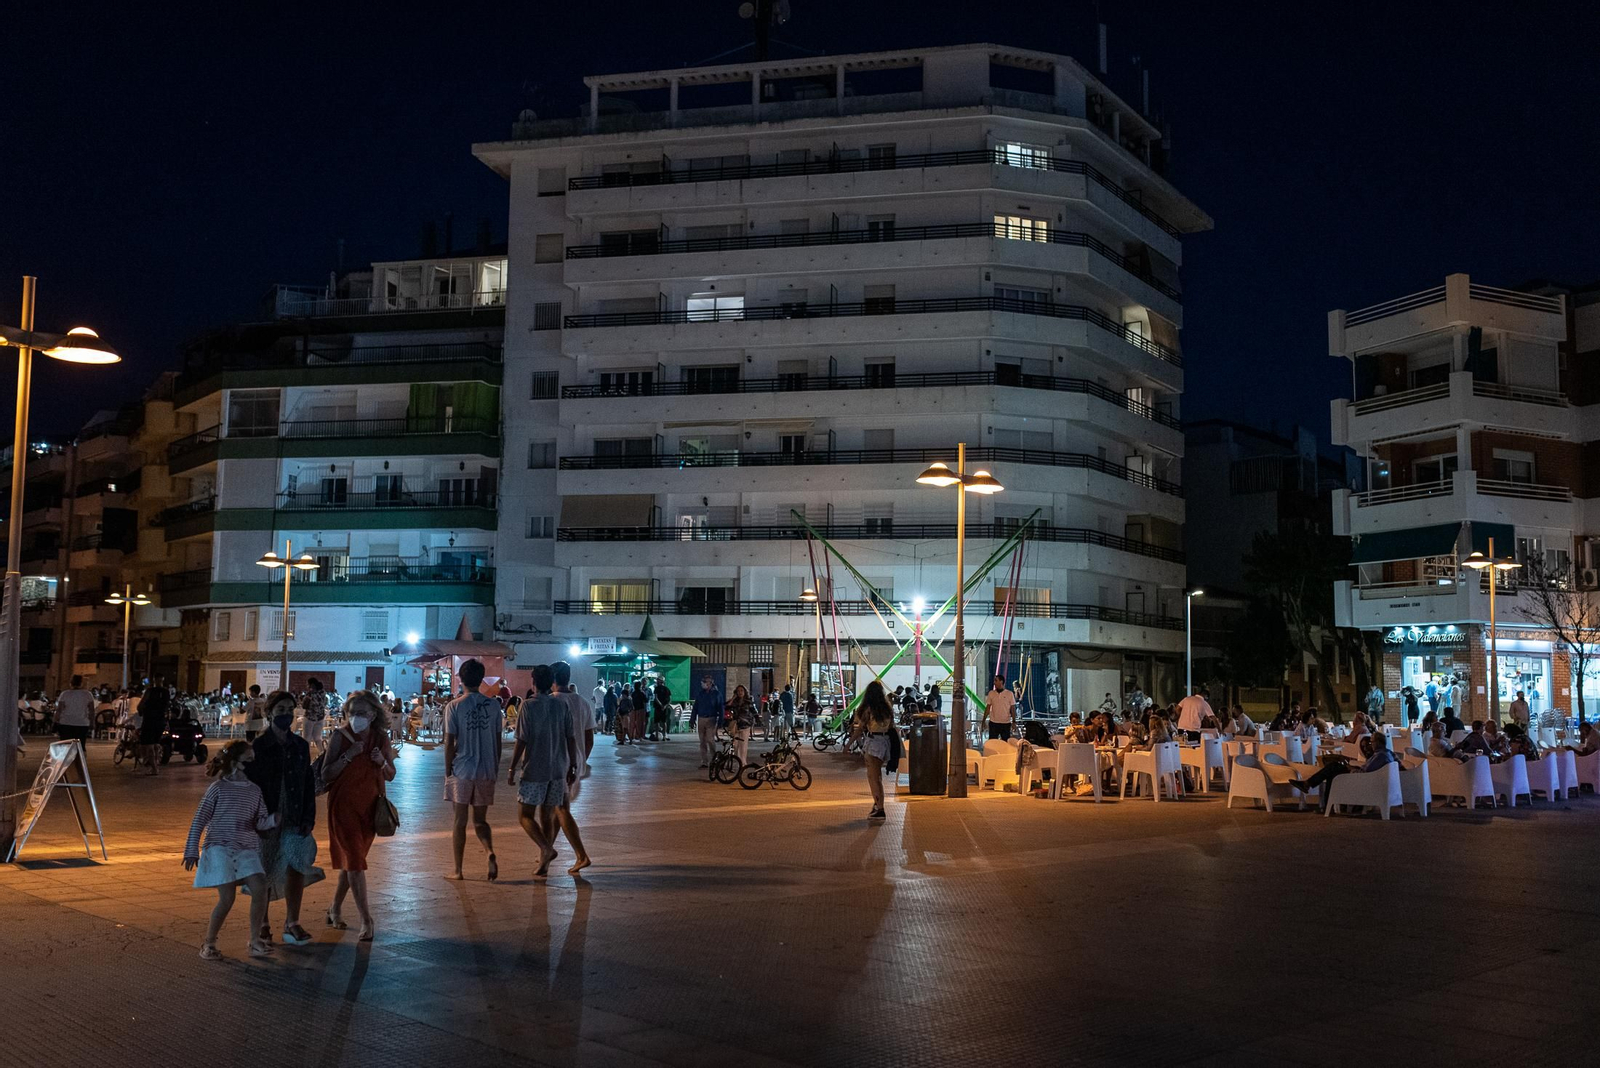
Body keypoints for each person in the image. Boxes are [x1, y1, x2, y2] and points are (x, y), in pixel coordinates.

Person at [183, 739, 278, 961]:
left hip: (246, 848)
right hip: (220, 847)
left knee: (260, 887)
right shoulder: (218, 788)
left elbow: (259, 821)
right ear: (235, 762)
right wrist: (191, 850)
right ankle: (209, 943)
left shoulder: (254, 790)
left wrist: (272, 820)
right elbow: (200, 819)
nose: (253, 763)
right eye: (249, 760)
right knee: (227, 898)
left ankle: (255, 940)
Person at [245, 691, 322, 946]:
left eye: (290, 709)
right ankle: (263, 923)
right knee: (264, 868)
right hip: (266, 815)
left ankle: (293, 921)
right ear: (270, 713)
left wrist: (308, 816)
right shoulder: (258, 747)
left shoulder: (300, 745)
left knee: (296, 865)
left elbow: (308, 782)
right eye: (280, 710)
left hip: (294, 811)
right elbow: (249, 784)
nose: (286, 715)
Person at [320, 690, 396, 940]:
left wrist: (381, 762)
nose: (356, 718)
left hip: (370, 808)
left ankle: (334, 908)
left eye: (362, 713)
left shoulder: (380, 738)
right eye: (352, 713)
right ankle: (366, 919)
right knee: (354, 860)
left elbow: (391, 774)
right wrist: (348, 755)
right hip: (343, 807)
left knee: (353, 862)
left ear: (373, 714)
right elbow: (326, 774)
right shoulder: (340, 737)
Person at [508, 664, 589, 877]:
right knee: (548, 813)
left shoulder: (528, 705)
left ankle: (546, 848)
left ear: (533, 682)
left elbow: (522, 740)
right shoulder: (561, 706)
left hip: (535, 768)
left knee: (525, 815)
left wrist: (512, 766)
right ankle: (544, 861)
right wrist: (573, 764)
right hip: (559, 767)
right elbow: (571, 737)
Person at [443, 659, 505, 881]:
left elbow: (449, 742)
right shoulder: (494, 706)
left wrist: (447, 769)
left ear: (461, 678)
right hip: (486, 769)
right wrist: (495, 766)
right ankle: (489, 852)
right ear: (481, 680)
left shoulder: (454, 706)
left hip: (463, 769)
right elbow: (497, 741)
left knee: (460, 821)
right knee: (480, 820)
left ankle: (458, 870)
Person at [1289, 732, 1400, 813]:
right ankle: (1324, 802)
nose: (1371, 745)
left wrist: (1350, 768)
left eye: (1372, 742)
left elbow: (1365, 772)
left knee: (1332, 768)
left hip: (1363, 780)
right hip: (1367, 778)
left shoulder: (1380, 756)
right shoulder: (1386, 753)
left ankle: (1309, 786)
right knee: (1332, 772)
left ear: (1379, 743)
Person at [856, 680, 895, 820]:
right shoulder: (887, 708)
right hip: (884, 743)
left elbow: (860, 728)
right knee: (877, 777)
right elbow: (892, 727)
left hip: (873, 743)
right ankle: (877, 803)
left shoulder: (869, 709)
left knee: (873, 778)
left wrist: (848, 745)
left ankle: (880, 808)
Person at [552, 660, 598, 774]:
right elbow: (589, 740)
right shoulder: (583, 703)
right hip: (576, 766)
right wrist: (581, 761)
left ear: (552, 679)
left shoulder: (549, 701)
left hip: (553, 765)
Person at [137, 678, 170, 775]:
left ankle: (154, 768)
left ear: (154, 680)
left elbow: (141, 704)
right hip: (161, 721)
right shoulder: (166, 692)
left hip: (149, 720)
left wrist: (140, 711)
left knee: (148, 745)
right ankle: (155, 764)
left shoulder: (150, 691)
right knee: (156, 743)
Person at [691, 675, 723, 768]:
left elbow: (720, 708)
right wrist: (692, 719)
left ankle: (714, 758)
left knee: (710, 739)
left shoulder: (717, 694)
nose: (704, 683)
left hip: (711, 719)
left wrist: (721, 720)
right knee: (702, 741)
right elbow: (695, 707)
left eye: (706, 681)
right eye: (703, 681)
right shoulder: (701, 694)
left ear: (711, 683)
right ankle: (704, 761)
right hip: (701, 718)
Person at [54, 675, 95, 745]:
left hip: (66, 722)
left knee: (66, 746)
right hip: (82, 723)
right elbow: (91, 711)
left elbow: (59, 710)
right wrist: (92, 723)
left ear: (71, 683)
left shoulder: (64, 694)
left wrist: (56, 721)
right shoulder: (88, 694)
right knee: (81, 746)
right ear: (81, 683)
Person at [727, 684, 757, 765]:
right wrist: (733, 698)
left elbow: (754, 711)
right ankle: (738, 761)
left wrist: (756, 720)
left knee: (743, 746)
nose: (740, 692)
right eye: (738, 691)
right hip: (736, 726)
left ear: (744, 692)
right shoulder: (735, 702)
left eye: (741, 691)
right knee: (735, 745)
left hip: (745, 725)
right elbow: (727, 706)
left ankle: (743, 763)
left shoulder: (748, 702)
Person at [983, 676, 1016, 741]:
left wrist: (1014, 721)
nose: (994, 682)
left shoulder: (1009, 694)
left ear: (1001, 682)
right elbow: (988, 707)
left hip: (1006, 723)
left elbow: (1012, 708)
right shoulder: (991, 693)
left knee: (1005, 743)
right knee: (992, 742)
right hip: (993, 722)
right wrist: (984, 720)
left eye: (996, 680)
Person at [301, 676, 329, 752]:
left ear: (311, 684)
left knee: (306, 738)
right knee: (317, 738)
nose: (307, 686)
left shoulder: (310, 693)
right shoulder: (323, 693)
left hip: (310, 718)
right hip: (320, 718)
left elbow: (304, 705)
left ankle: (305, 756)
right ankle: (323, 754)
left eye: (307, 684)